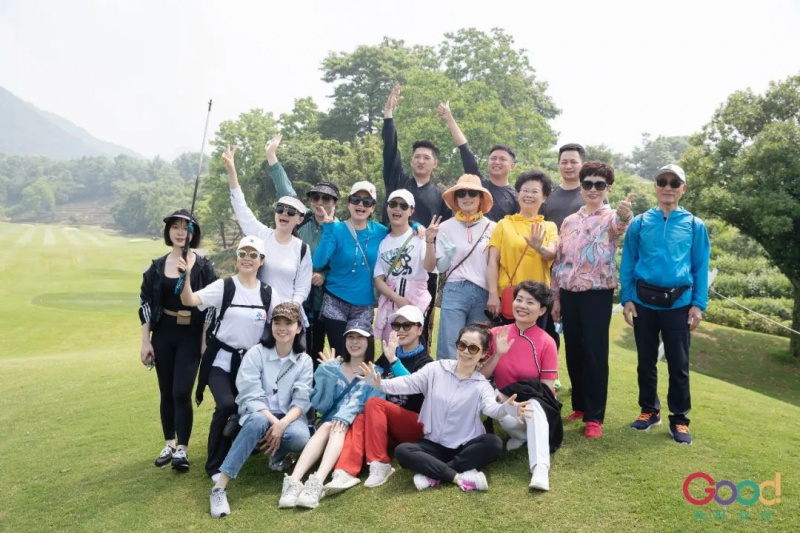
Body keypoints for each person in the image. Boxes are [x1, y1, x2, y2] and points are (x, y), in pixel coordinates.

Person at [359, 324, 530, 492]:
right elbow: (406, 383)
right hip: (433, 444)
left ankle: (434, 474)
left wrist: (508, 408)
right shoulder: (436, 368)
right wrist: (379, 384)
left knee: (493, 443)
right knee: (403, 451)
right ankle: (458, 477)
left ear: (483, 354)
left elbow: (492, 409)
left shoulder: (482, 385)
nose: (465, 351)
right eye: (462, 345)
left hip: (465, 445)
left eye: (473, 348)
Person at [620, 164, 710, 445]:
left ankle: (680, 419)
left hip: (679, 304)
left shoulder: (695, 225)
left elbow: (700, 267)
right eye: (662, 181)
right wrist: (627, 298)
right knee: (645, 361)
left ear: (683, 188)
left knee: (679, 364)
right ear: (656, 186)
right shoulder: (640, 223)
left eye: (674, 182)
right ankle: (649, 410)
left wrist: (698, 304)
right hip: (644, 302)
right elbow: (628, 262)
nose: (668, 187)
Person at [177, 235, 272, 479]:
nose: (247, 259)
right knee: (227, 405)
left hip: (251, 365)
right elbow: (189, 300)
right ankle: (215, 466)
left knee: (248, 409)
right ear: (236, 257)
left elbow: (284, 321)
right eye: (243, 254)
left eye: (253, 255)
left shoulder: (268, 293)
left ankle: (244, 450)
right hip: (220, 360)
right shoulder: (224, 286)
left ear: (261, 261)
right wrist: (185, 277)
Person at [207, 302, 314, 518]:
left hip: (289, 418)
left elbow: (301, 401)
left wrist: (283, 424)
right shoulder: (256, 353)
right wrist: (275, 424)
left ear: (299, 327)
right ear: (271, 325)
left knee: (301, 436)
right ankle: (219, 487)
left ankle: (276, 457)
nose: (282, 328)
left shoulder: (304, 360)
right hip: (259, 415)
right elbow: (250, 395)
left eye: (289, 323)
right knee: (256, 422)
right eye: (277, 322)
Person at [551, 161, 632, 437]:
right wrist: (556, 298)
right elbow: (559, 260)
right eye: (588, 184)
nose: (593, 189)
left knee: (595, 353)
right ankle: (581, 406)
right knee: (573, 350)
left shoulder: (610, 218)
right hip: (568, 293)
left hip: (597, 294)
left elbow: (621, 226)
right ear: (581, 186)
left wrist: (624, 214)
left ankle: (595, 416)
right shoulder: (570, 220)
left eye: (600, 185)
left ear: (607, 188)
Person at [138, 210, 218, 471]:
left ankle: (182, 449)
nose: (180, 232)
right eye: (175, 227)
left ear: (192, 234)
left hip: (191, 335)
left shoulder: (204, 267)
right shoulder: (157, 267)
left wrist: (206, 338)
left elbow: (213, 304)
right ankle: (169, 443)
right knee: (166, 392)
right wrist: (145, 341)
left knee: (181, 391)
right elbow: (145, 304)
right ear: (168, 232)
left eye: (186, 227)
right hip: (163, 335)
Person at [324, 305, 433, 493]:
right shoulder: (390, 354)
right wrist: (337, 367)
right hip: (386, 426)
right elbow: (369, 374)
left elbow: (417, 388)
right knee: (360, 416)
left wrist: (394, 361)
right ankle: (345, 471)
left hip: (416, 426)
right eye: (396, 326)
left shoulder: (426, 362)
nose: (400, 330)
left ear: (420, 329)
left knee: (374, 404)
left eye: (407, 326)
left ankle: (380, 463)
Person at [278, 320, 384, 509]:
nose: (355, 342)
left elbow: (371, 407)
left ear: (369, 341)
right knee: (328, 424)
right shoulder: (334, 367)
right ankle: (293, 482)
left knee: (334, 425)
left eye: (360, 337)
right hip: (326, 429)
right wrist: (326, 375)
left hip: (352, 430)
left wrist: (343, 416)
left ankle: (316, 482)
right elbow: (320, 404)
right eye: (350, 337)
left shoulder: (376, 373)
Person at [383, 85, 452, 345]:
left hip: (425, 272)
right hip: (394, 265)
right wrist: (389, 115)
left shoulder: (443, 198)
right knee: (391, 322)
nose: (420, 161)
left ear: (435, 163)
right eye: (416, 157)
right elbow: (390, 152)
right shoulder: (399, 184)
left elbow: (445, 236)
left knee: (421, 324)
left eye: (426, 157)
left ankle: (419, 371)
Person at [313, 181, 415, 355]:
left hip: (364, 305)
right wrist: (328, 229)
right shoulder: (336, 229)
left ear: (373, 207)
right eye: (356, 199)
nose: (361, 204)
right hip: (335, 300)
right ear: (348, 203)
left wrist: (417, 227)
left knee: (364, 358)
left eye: (367, 202)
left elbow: (403, 229)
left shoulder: (381, 232)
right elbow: (318, 262)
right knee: (341, 356)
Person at [264, 134, 340, 363]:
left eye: (326, 199)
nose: (320, 203)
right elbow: (285, 190)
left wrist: (324, 275)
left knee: (334, 354)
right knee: (306, 354)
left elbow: (347, 264)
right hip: (303, 304)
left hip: (331, 300)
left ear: (335, 204)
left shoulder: (341, 230)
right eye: (316, 197)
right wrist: (272, 156)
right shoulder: (302, 219)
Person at [481, 281, 562, 491]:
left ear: (542, 310)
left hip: (535, 408)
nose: (522, 306)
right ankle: (521, 436)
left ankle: (540, 468)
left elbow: (547, 390)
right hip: (505, 405)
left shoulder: (547, 342)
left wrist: (534, 406)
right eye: (519, 299)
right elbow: (481, 377)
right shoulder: (497, 333)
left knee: (534, 404)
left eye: (530, 302)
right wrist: (497, 353)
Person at [222, 146, 312, 324]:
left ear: (300, 219)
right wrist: (232, 171)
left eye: (291, 212)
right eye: (280, 209)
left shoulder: (301, 249)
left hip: (288, 318)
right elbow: (241, 208)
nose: (284, 214)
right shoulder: (262, 236)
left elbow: (302, 287)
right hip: (258, 314)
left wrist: (290, 308)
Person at [424, 175, 496, 360]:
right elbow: (438, 267)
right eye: (461, 193)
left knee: (478, 347)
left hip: (484, 292)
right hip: (455, 289)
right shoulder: (445, 227)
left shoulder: (493, 228)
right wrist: (430, 241)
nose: (466, 197)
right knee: (450, 344)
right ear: (455, 199)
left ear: (481, 198)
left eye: (472, 192)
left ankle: (472, 387)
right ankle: (445, 387)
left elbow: (496, 263)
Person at [486, 170, 557, 322]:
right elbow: (492, 261)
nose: (528, 195)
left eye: (534, 191)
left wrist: (539, 248)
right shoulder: (503, 224)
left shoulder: (549, 226)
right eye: (524, 190)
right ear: (518, 194)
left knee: (534, 343)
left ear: (544, 197)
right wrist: (492, 293)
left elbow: (552, 254)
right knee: (505, 343)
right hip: (508, 296)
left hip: (537, 299)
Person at [438, 101, 518, 221]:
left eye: (502, 159)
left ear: (512, 166)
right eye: (493, 158)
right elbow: (465, 150)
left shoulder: (516, 197)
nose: (497, 162)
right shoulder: (478, 184)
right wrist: (449, 118)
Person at [373, 189, 431, 343]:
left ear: (411, 211)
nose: (397, 208)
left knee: (412, 343)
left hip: (415, 299)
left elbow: (430, 267)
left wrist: (430, 241)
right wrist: (396, 298)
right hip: (392, 300)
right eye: (393, 204)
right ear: (387, 208)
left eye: (403, 206)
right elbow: (378, 279)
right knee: (390, 344)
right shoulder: (383, 242)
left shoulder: (419, 237)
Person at [540, 143, 588, 231]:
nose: (568, 166)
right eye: (564, 162)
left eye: (573, 162)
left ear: (583, 165)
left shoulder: (595, 194)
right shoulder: (547, 195)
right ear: (558, 165)